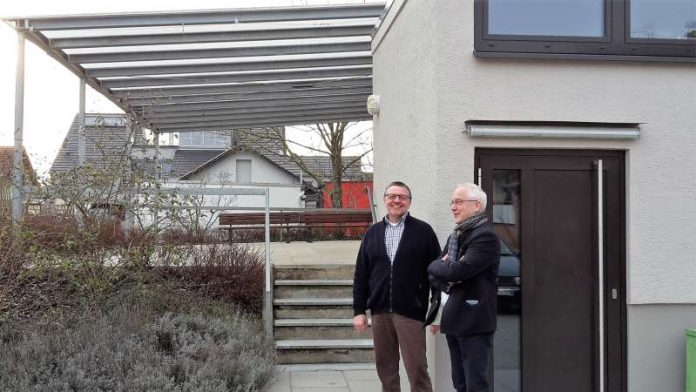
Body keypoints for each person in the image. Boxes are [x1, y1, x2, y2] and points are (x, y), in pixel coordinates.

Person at [352, 181, 441, 392]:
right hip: (380, 312)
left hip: (411, 312)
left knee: (417, 369)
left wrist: (436, 313)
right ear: (384, 200)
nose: (396, 200)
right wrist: (359, 311)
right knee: (386, 370)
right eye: (392, 196)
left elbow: (437, 275)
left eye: (402, 197)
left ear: (409, 202)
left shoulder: (423, 231)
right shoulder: (372, 233)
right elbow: (361, 274)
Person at [426, 183, 500, 392]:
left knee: (475, 385)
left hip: (474, 322)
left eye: (458, 202)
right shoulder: (456, 236)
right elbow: (434, 270)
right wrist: (444, 267)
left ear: (477, 206)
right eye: (452, 202)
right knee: (460, 384)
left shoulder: (485, 237)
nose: (453, 207)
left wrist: (446, 268)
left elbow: (457, 272)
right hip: (454, 320)